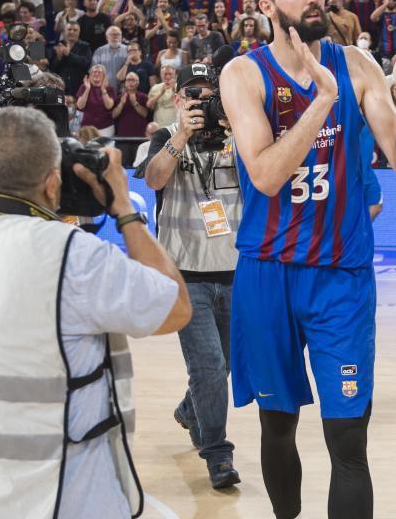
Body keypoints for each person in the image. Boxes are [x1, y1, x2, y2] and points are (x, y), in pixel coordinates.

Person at [0, 107, 192, 518]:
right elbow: (174, 307)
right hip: (42, 494)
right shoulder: (71, 255)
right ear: (53, 181)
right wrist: (123, 207)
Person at [220, 0, 396, 519]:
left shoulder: (358, 65)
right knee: (277, 427)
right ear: (268, 6)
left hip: (340, 274)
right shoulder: (242, 74)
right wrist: (322, 102)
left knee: (348, 441)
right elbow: (264, 174)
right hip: (268, 272)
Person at [139, 63, 243, 489]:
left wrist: (239, 132)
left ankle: (190, 411)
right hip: (186, 276)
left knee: (225, 366)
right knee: (209, 366)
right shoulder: (164, 138)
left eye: (208, 93)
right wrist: (180, 136)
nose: (200, 101)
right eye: (192, 94)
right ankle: (217, 452)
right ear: (177, 99)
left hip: (235, 272)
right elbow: (153, 178)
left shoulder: (238, 135)